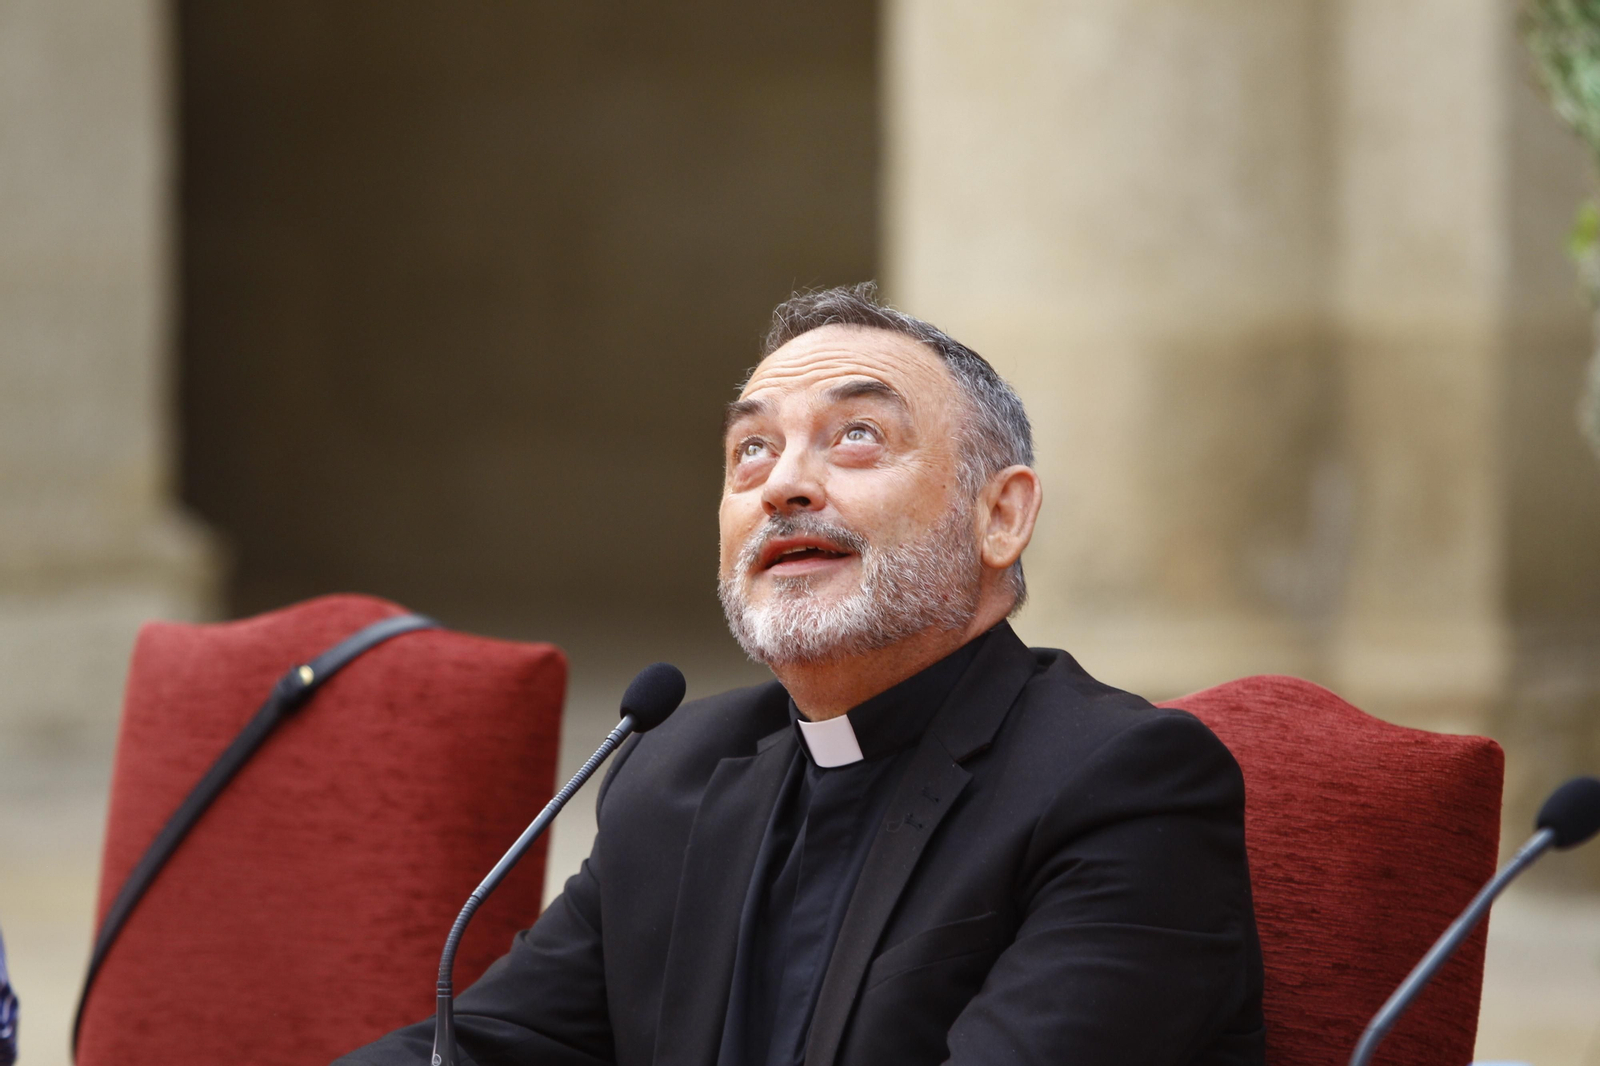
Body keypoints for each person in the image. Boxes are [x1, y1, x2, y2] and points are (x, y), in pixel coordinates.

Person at [338, 283, 1265, 1066]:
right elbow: (490, 1048)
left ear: (1002, 517)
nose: (784, 483)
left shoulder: (1123, 787)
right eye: (751, 450)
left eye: (856, 435)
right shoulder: (679, 770)